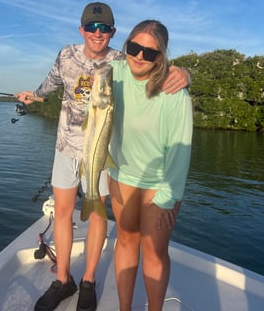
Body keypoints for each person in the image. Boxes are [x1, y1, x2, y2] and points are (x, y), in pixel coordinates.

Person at [16, 3, 190, 311]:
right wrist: (34, 95)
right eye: (92, 27)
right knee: (70, 215)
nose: (98, 33)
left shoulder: (121, 62)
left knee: (108, 220)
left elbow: (157, 71)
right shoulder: (70, 56)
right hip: (74, 149)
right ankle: (65, 279)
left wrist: (183, 72)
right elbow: (51, 84)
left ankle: (90, 281)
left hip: (104, 153)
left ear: (112, 33)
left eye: (104, 28)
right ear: (81, 29)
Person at [108, 20, 193, 311]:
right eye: (134, 47)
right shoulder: (113, 73)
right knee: (125, 241)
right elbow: (86, 68)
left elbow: (180, 148)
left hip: (160, 184)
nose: (139, 56)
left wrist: (169, 197)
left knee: (154, 252)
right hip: (120, 174)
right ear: (126, 45)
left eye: (150, 52)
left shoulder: (174, 90)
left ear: (162, 56)